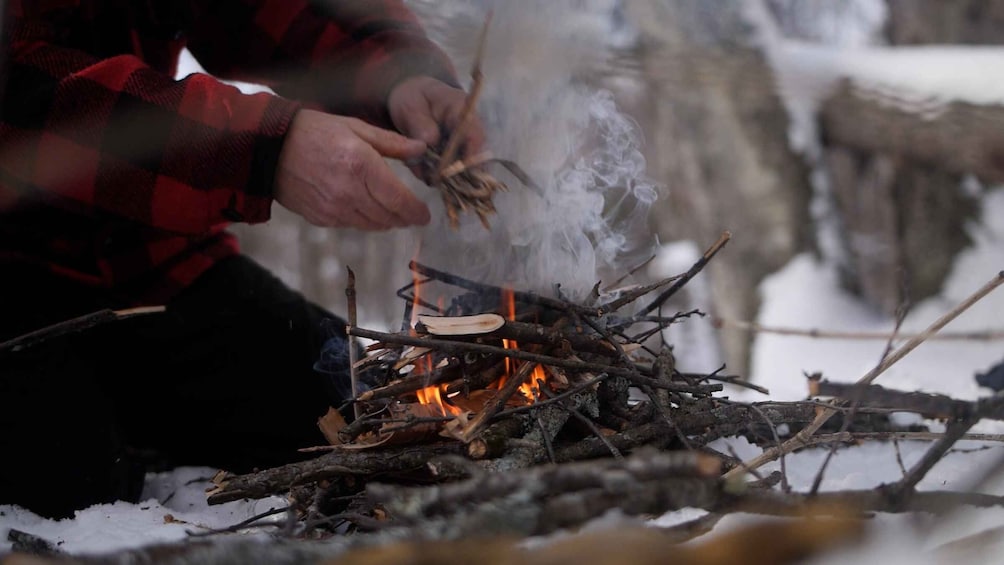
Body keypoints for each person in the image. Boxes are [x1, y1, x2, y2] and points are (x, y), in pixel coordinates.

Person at [0, 0, 484, 518]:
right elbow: (20, 91)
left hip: (140, 259)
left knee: (366, 413)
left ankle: (138, 420)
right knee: (69, 494)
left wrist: (397, 75)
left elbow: (266, 12)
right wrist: (259, 149)